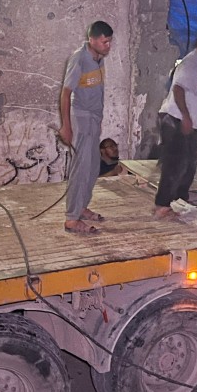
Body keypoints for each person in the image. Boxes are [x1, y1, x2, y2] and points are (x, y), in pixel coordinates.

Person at [154, 32, 197, 219]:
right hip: (175, 120)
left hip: (186, 122)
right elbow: (177, 89)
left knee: (190, 164)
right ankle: (162, 205)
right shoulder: (190, 64)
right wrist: (185, 117)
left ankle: (180, 199)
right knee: (174, 165)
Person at [59, 20, 113, 235]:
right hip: (81, 118)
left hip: (93, 119)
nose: (108, 46)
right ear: (92, 40)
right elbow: (65, 93)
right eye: (104, 42)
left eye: (109, 42)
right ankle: (71, 219)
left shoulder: (99, 59)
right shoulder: (79, 58)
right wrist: (66, 126)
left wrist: (99, 119)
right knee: (81, 169)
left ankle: (81, 207)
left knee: (91, 168)